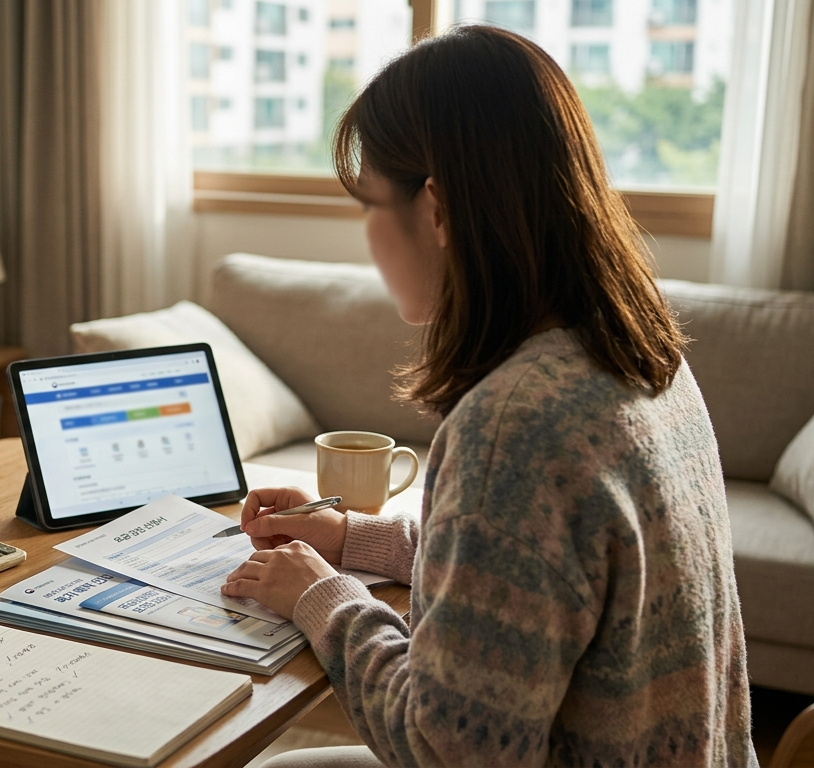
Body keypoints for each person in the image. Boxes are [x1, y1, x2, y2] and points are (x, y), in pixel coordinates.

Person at [220, 25, 756, 768]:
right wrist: (350, 539)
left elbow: (445, 750)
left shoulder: (514, 424)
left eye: (371, 205)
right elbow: (522, 575)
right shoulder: (641, 352)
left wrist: (326, 598)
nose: (368, 239)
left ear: (436, 210)